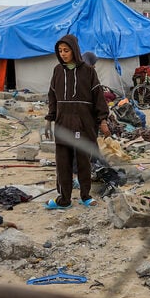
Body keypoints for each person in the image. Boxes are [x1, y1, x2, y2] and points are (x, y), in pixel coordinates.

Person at [43, 34, 111, 209]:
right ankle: (63, 199)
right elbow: (52, 97)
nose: (63, 54)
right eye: (60, 51)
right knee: (63, 163)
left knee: (83, 162)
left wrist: (102, 120)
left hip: (83, 123)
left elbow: (98, 97)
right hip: (62, 124)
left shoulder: (88, 72)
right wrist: (49, 119)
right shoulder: (57, 71)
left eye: (66, 50)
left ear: (75, 50)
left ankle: (85, 196)